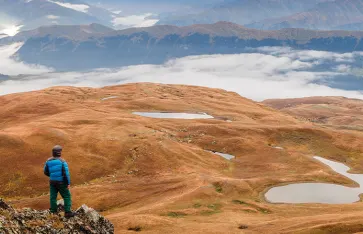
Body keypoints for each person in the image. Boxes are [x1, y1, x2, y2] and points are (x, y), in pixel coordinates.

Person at [44, 145, 75, 218]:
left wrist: (52, 175)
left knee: (53, 197)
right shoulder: (62, 162)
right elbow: (66, 174)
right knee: (67, 196)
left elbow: (45, 172)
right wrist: (68, 183)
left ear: (53, 153)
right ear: (59, 153)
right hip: (61, 182)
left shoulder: (48, 161)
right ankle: (67, 212)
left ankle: (53, 212)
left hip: (52, 182)